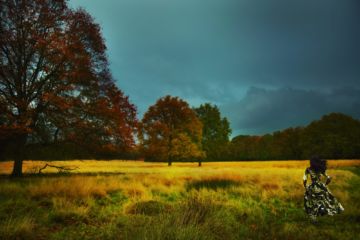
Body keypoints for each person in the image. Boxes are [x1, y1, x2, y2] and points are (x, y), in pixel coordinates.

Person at [303, 156, 344, 222]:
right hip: (321, 185)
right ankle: (324, 210)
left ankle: (313, 215)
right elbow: (329, 178)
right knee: (327, 198)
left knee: (311, 200)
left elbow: (304, 179)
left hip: (313, 186)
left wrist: (305, 186)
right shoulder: (320, 169)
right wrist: (325, 184)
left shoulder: (308, 169)